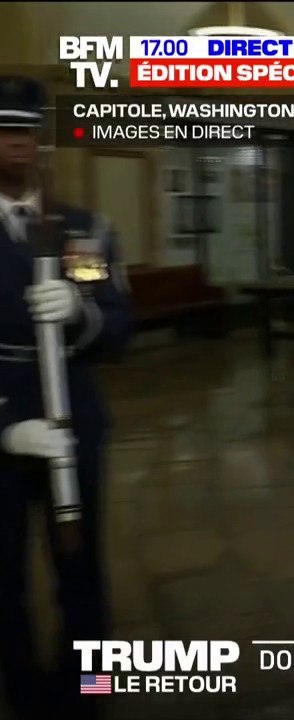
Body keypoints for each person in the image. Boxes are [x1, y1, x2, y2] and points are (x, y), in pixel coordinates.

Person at [0, 75, 132, 719]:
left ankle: (89, 697)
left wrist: (80, 316)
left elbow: (117, 326)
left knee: (81, 573)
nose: (16, 144)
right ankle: (22, 698)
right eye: (3, 132)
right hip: (4, 423)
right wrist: (4, 425)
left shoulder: (79, 230)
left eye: (26, 131)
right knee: (3, 579)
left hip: (71, 419)